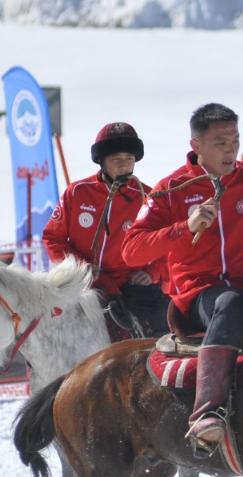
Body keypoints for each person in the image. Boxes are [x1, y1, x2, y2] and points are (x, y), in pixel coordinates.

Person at [121, 103, 243, 457]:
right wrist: (186, 227)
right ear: (196, 145)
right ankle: (207, 412)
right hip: (199, 298)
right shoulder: (171, 189)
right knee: (231, 302)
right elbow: (131, 251)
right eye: (220, 142)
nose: (230, 149)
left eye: (234, 140)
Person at [42, 121, 169, 337]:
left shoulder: (148, 198)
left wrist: (153, 272)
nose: (124, 165)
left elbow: (165, 244)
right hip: (81, 281)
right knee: (46, 328)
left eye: (129, 159)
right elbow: (53, 238)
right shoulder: (77, 192)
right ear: (102, 161)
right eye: (116, 159)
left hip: (129, 284)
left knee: (160, 328)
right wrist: (80, 268)